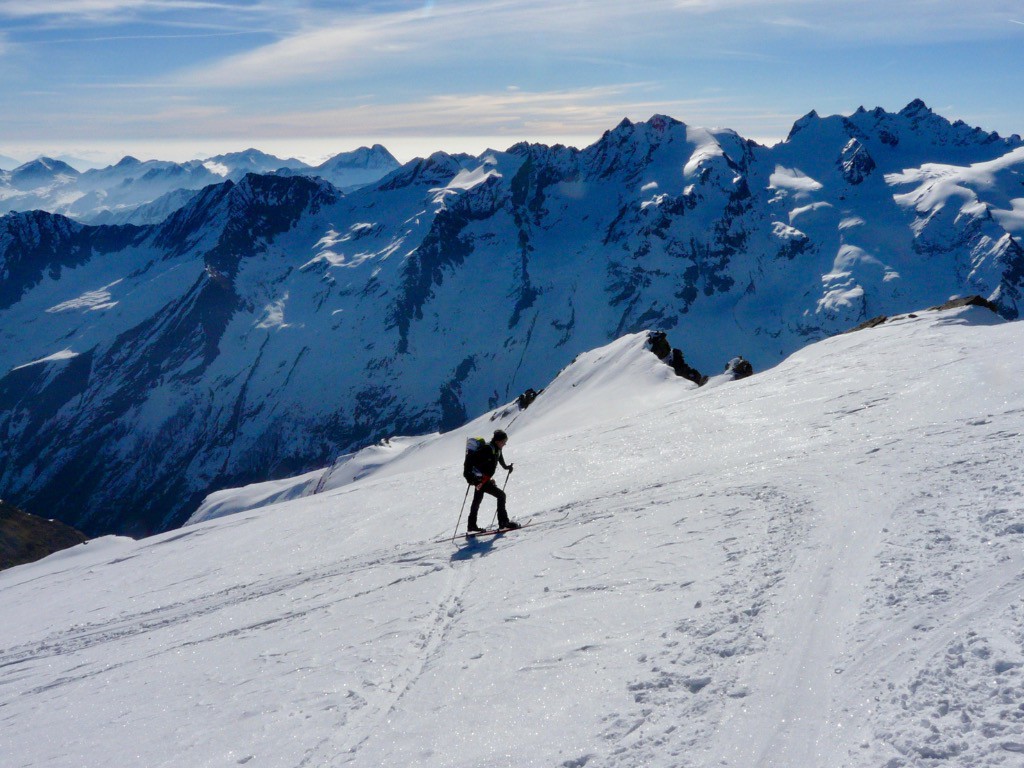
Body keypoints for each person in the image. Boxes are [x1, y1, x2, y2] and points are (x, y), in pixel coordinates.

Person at [463, 429, 520, 533]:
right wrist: (475, 478)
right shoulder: (487, 449)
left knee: (477, 501)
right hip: (480, 479)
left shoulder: (496, 449)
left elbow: (499, 458)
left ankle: (471, 526)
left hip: (483, 479)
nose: (505, 444)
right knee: (501, 495)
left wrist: (506, 467)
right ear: (498, 441)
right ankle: (503, 522)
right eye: (503, 441)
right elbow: (472, 461)